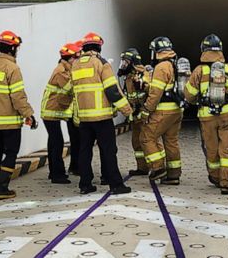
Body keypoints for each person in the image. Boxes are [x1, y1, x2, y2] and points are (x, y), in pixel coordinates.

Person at [184, 34, 228, 195]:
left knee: (211, 148)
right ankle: (226, 183)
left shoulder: (199, 71)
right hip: (227, 115)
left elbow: (189, 95)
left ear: (203, 50)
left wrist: (196, 103)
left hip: (207, 117)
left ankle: (215, 176)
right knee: (227, 150)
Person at [0, 30, 37, 200]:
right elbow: (18, 96)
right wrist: (29, 115)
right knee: (11, 152)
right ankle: (4, 189)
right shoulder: (13, 68)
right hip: (9, 121)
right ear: (12, 49)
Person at [69, 32, 133, 195]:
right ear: (98, 47)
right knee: (108, 151)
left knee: (85, 151)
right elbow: (112, 91)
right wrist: (127, 110)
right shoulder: (101, 63)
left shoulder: (75, 65)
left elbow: (75, 93)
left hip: (84, 118)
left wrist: (77, 117)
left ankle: (85, 185)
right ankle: (116, 185)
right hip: (102, 117)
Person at [140, 36, 183, 185]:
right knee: (171, 141)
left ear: (156, 51)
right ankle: (173, 175)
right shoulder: (174, 63)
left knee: (146, 137)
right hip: (176, 110)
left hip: (163, 111)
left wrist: (146, 110)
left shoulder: (161, 67)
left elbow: (156, 93)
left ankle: (158, 168)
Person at [42, 42, 82, 184]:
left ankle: (54, 172)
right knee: (57, 142)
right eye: (76, 58)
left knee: (53, 142)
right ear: (69, 58)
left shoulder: (65, 69)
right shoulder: (61, 72)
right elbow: (70, 88)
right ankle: (57, 175)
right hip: (51, 112)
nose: (77, 61)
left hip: (54, 111)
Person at [118, 47, 150, 175]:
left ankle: (157, 167)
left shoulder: (144, 73)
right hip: (136, 117)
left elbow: (152, 91)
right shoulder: (128, 77)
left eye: (125, 62)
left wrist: (143, 85)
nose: (123, 65)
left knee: (147, 141)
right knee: (136, 142)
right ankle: (142, 168)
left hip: (144, 116)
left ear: (132, 62)